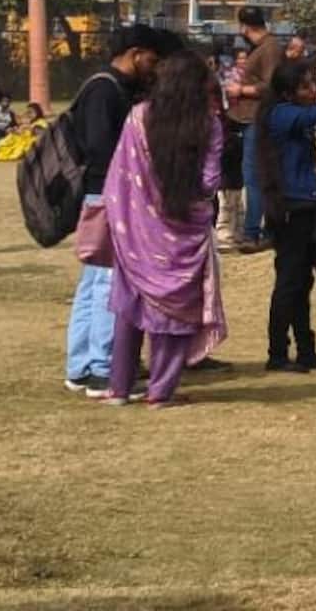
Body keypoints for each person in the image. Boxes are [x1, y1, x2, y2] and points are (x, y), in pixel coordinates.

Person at [100, 51, 229, 407]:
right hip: (184, 235)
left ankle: (119, 388)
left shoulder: (138, 117)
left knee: (130, 309)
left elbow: (119, 177)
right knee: (173, 313)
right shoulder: (209, 125)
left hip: (135, 231)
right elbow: (209, 182)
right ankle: (160, 392)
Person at [64, 25, 172, 395]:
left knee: (94, 281)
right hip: (109, 196)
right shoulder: (105, 89)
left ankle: (80, 366)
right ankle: (103, 367)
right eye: (152, 60)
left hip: (102, 195)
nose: (153, 68)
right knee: (109, 283)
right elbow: (100, 148)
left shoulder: (108, 86)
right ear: (135, 53)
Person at [255, 61, 316, 371]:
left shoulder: (292, 114)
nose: (313, 91)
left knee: (303, 281)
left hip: (306, 204)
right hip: (290, 208)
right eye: (305, 86)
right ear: (287, 92)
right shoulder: (281, 114)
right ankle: (277, 354)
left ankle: (306, 350)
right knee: (289, 281)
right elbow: (311, 115)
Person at [222, 6, 282, 254]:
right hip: (247, 118)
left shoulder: (270, 49)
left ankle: (252, 233)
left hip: (258, 118)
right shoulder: (262, 48)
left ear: (245, 26)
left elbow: (272, 86)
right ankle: (254, 230)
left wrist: (242, 90)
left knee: (254, 177)